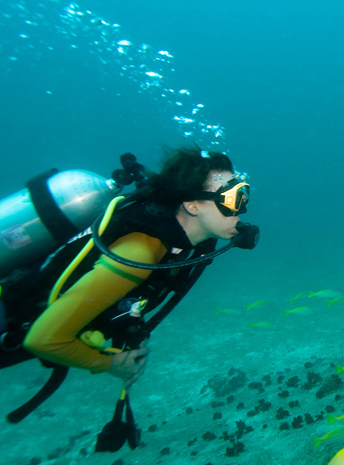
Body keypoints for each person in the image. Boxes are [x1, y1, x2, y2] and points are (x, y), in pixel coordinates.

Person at [16, 146, 254, 391]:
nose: (242, 210)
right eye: (233, 199)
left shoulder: (182, 245)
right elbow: (44, 340)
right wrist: (109, 364)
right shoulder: (140, 252)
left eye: (244, 196)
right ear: (192, 206)